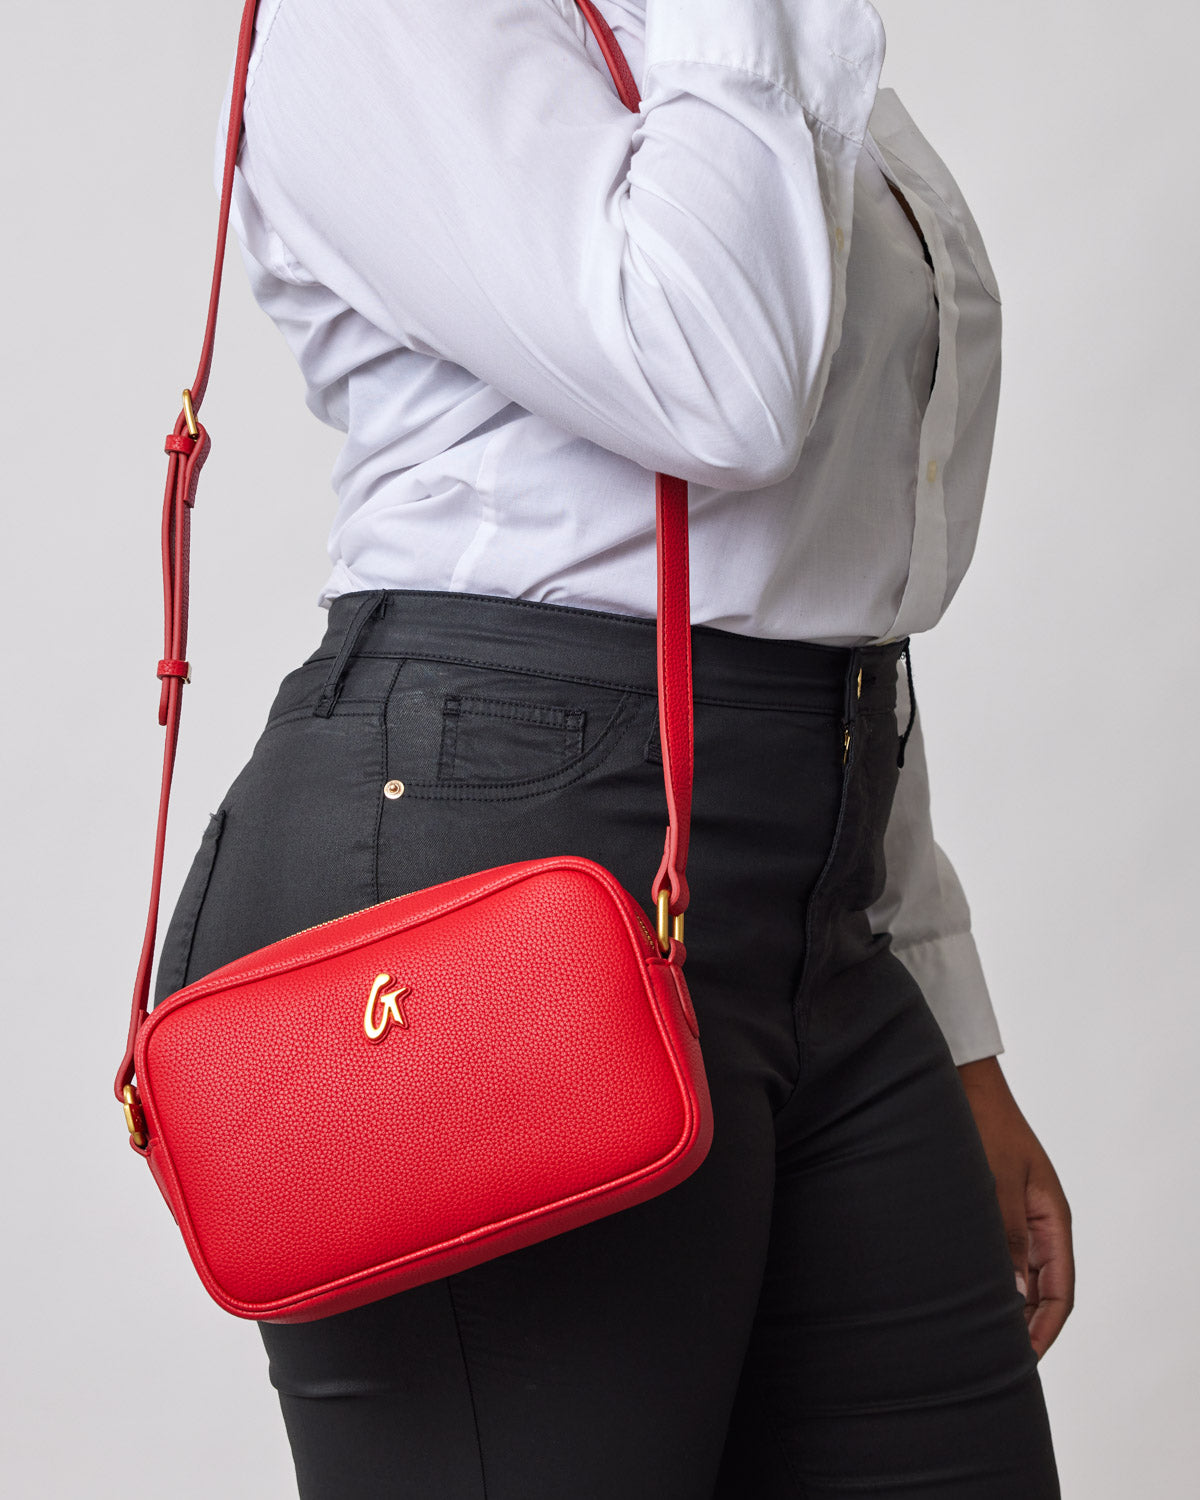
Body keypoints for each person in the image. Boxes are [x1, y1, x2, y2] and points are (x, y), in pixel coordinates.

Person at [152, 1, 1073, 1494]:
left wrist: (950, 1020)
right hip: (491, 865)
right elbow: (718, 382)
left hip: (813, 868)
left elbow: (817, 580)